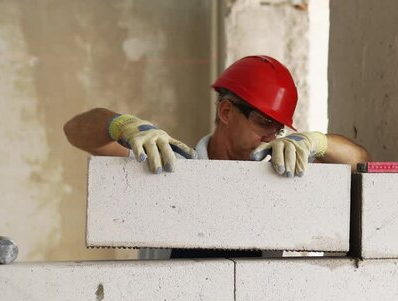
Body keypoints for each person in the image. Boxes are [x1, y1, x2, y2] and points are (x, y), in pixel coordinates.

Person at [64, 55, 370, 258]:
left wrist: (315, 141)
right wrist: (121, 126)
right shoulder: (166, 163)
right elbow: (74, 131)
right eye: (263, 123)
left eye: (277, 129)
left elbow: (359, 161)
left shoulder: (279, 173)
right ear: (226, 111)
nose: (270, 137)